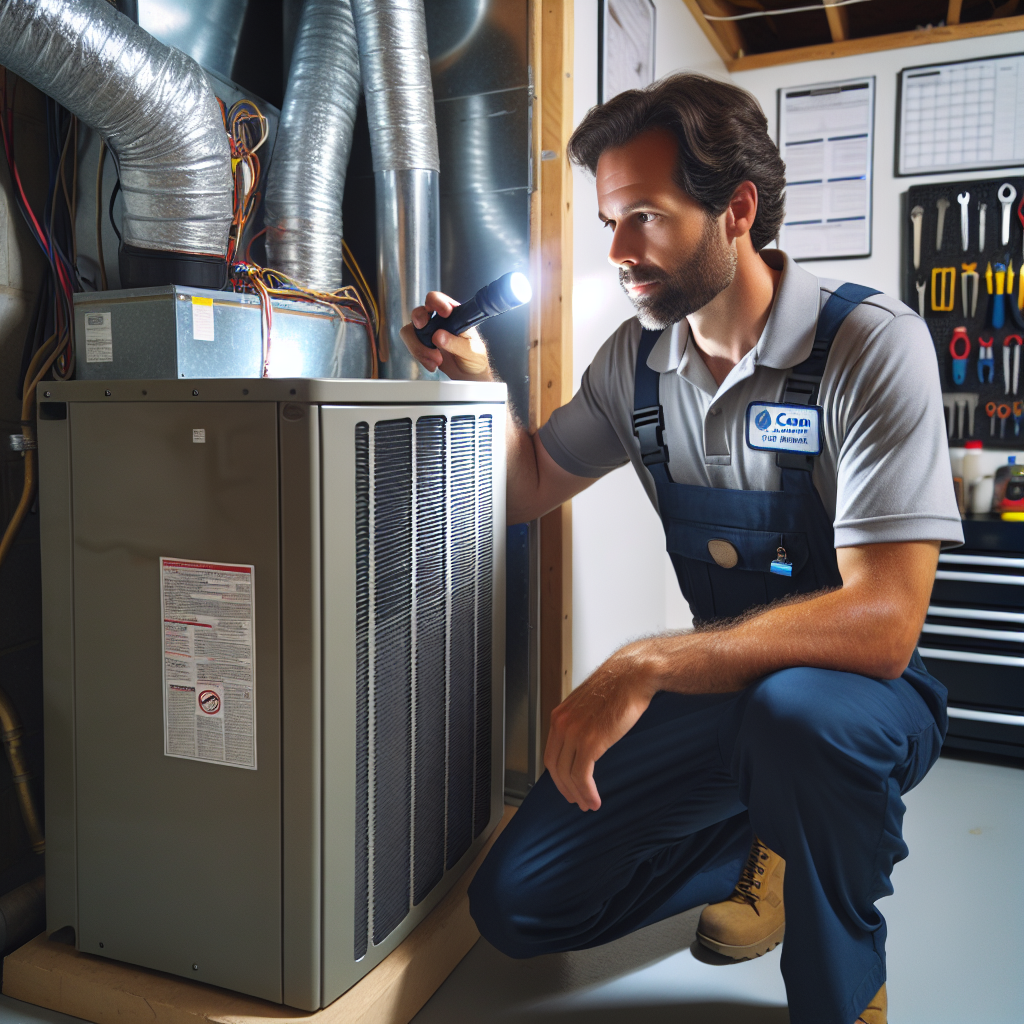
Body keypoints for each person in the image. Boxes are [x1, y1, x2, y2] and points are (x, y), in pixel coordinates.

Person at [400, 73, 962, 1024]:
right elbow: (530, 486)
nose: (619, 251)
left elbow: (885, 624)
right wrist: (481, 382)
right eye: (613, 220)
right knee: (518, 905)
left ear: (735, 210)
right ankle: (762, 841)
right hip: (721, 695)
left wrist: (646, 661)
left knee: (800, 721)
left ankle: (844, 993)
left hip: (857, 700)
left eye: (646, 218)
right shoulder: (636, 363)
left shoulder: (868, 346)